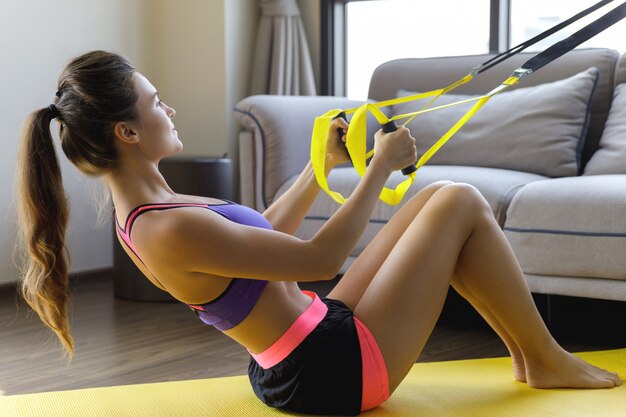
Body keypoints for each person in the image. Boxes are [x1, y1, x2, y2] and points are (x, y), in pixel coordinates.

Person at [16, 51, 621, 416]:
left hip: (315, 338)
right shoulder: (163, 229)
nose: (168, 109)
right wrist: (379, 168)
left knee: (440, 199)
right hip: (330, 373)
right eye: (155, 101)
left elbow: (266, 241)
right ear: (126, 132)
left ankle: (530, 354)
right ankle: (543, 357)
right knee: (458, 200)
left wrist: (321, 167)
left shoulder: (158, 206)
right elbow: (319, 255)